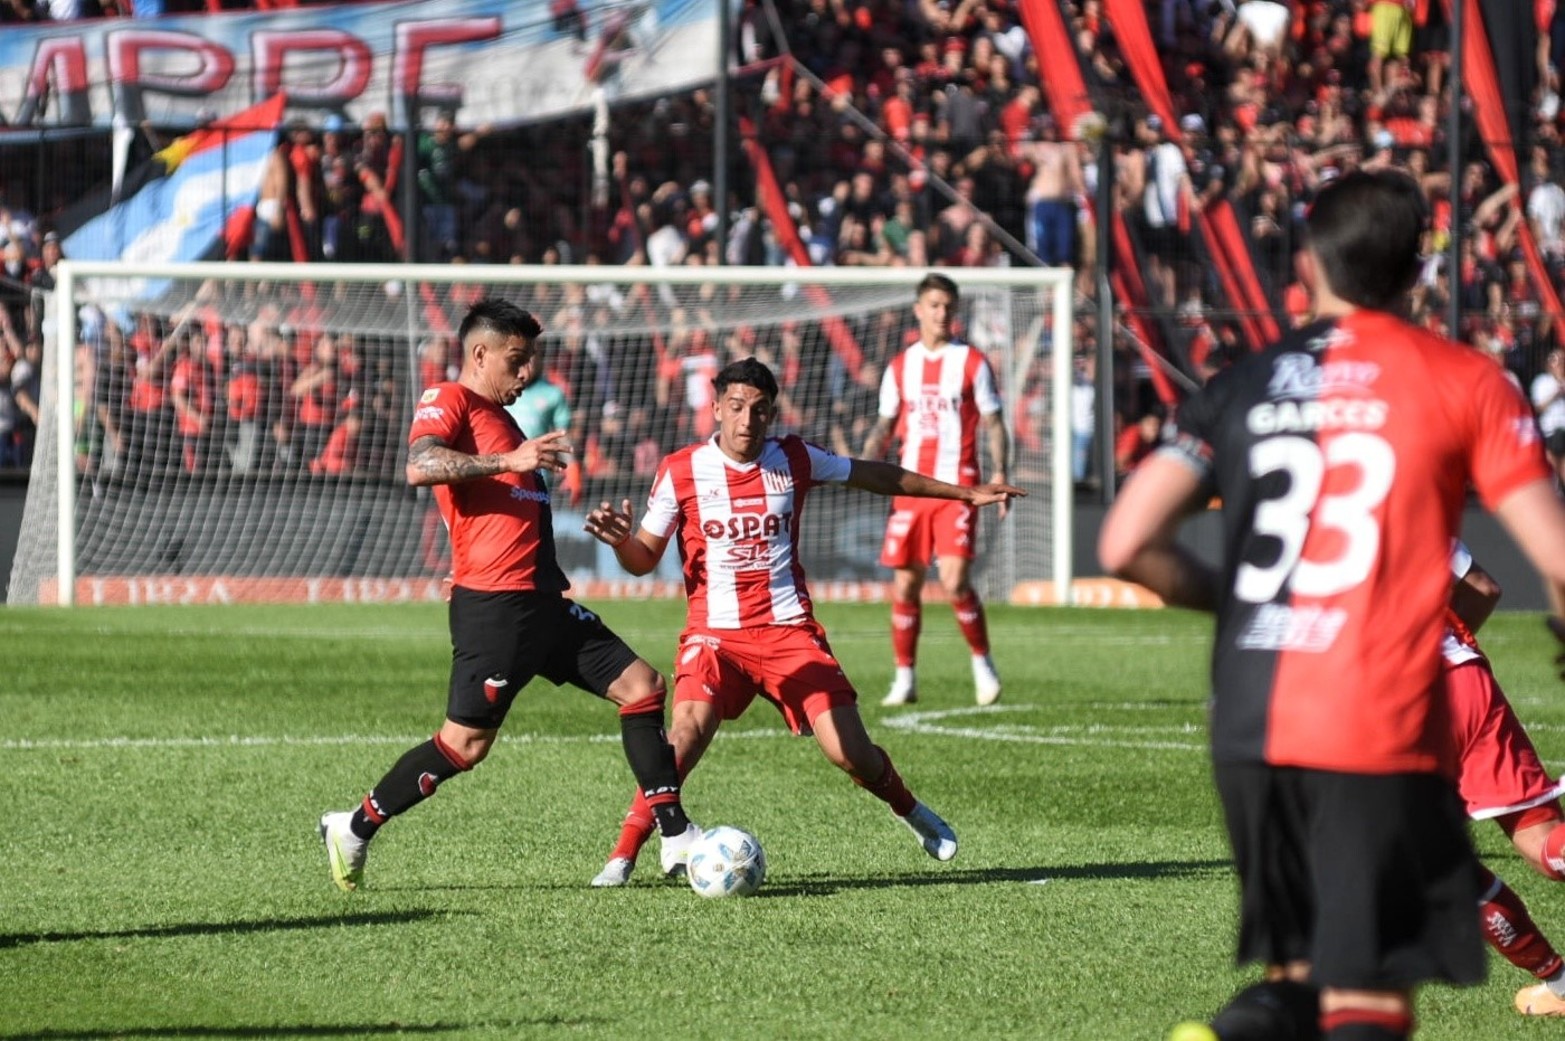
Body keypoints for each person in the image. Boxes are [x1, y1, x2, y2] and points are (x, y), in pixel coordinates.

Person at [1099, 169, 1565, 1041]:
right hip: (1373, 710)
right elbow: (1553, 558)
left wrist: (1244, 606)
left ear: (1307, 264)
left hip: (1250, 711)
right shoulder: (1459, 378)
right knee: (1371, 994)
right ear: (1417, 271)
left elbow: (1125, 542)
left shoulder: (1244, 381)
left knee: (1298, 973)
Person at [580, 357, 1024, 887]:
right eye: (737, 407)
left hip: (789, 630)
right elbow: (643, 559)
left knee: (849, 752)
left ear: (772, 414)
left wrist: (963, 493)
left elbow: (874, 474)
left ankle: (909, 809)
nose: (747, 420)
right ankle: (623, 855)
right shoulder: (681, 470)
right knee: (684, 734)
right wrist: (621, 542)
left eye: (759, 410)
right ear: (716, 408)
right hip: (714, 635)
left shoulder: (794, 457)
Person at [318, 298, 696, 892]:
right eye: (516, 360)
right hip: (496, 607)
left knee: (643, 687)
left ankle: (675, 835)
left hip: (543, 602)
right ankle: (355, 826)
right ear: (479, 354)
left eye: (530, 360)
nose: (527, 372)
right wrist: (509, 459)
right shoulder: (451, 398)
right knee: (465, 745)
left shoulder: (506, 419)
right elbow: (419, 464)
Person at [862, 272, 1011, 708]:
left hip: (958, 486)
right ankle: (904, 678)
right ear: (918, 310)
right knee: (906, 585)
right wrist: (864, 463)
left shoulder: (973, 362)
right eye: (934, 305)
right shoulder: (900, 366)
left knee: (954, 579)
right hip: (910, 487)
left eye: (948, 306)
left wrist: (1000, 470)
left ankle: (983, 665)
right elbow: (885, 425)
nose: (941, 313)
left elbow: (994, 422)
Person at [1441, 546, 1565, 1018]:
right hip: (1463, 676)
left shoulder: (1291, 521)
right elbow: (1483, 588)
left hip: (1394, 700)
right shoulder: (1413, 507)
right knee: (1544, 844)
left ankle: (1561, 983)